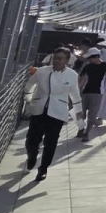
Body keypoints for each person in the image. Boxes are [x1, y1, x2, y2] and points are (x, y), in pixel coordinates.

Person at [26, 48, 80, 181]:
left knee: (51, 142)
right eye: (55, 57)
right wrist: (27, 101)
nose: (57, 60)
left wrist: (79, 110)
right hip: (39, 109)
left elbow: (74, 93)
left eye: (60, 58)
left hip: (57, 111)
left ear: (67, 60)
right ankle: (32, 155)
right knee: (32, 139)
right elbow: (29, 85)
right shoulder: (42, 71)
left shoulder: (72, 74)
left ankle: (43, 169)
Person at [76, 48, 106, 141]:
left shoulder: (105, 66)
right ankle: (81, 129)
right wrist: (78, 88)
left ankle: (86, 133)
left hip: (98, 93)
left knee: (92, 114)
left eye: (90, 58)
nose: (89, 60)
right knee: (81, 113)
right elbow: (83, 78)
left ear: (96, 57)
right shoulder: (88, 66)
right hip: (85, 91)